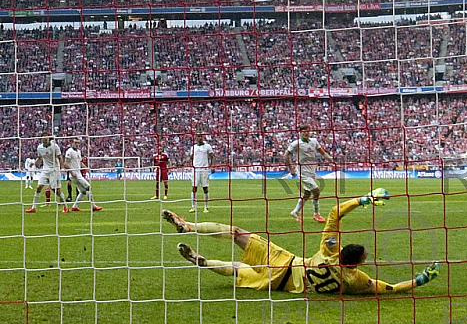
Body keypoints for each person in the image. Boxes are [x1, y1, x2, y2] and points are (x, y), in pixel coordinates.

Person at [161, 188, 440, 295]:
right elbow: (390, 288)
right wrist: (420, 280)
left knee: (237, 233)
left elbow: (333, 213)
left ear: (342, 250)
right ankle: (204, 261)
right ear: (357, 264)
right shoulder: (356, 281)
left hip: (286, 262)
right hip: (283, 285)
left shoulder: (328, 251)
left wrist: (365, 199)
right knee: (237, 269)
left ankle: (189, 226)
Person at [284, 124, 333, 224]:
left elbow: (322, 152)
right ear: (300, 132)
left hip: (311, 171)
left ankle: (295, 212)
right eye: (304, 131)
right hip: (302, 172)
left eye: (308, 131)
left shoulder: (314, 142)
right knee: (316, 191)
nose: (306, 133)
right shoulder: (296, 144)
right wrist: (291, 168)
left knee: (307, 193)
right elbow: (286, 155)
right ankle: (316, 214)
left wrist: (330, 159)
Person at [26, 134, 69, 214]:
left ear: (48, 139)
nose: (45, 140)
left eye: (46, 138)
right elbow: (40, 158)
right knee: (39, 187)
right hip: (45, 170)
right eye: (44, 138)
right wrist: (34, 163)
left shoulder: (54, 146)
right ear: (41, 139)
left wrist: (62, 168)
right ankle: (33, 207)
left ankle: (65, 207)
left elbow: (59, 157)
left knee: (56, 190)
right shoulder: (40, 148)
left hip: (54, 170)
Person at [64, 138, 102, 212]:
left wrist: (87, 168)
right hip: (75, 174)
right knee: (88, 186)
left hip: (78, 173)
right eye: (75, 143)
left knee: (83, 191)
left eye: (78, 143)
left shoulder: (78, 151)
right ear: (72, 143)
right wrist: (72, 172)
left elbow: (80, 163)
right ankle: (93, 206)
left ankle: (74, 206)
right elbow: (65, 163)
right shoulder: (69, 151)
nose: (77, 144)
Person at [188, 133, 214, 213]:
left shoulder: (207, 146)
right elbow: (191, 157)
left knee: (205, 188)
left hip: (204, 169)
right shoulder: (193, 147)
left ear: (203, 137)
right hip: (196, 170)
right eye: (197, 137)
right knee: (194, 187)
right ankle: (193, 206)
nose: (199, 138)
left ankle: (206, 207)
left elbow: (212, 156)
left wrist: (212, 166)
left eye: (200, 136)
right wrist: (190, 165)